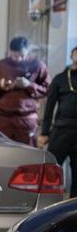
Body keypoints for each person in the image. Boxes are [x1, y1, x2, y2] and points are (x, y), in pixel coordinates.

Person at [0, 35, 50, 144]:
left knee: (27, 155)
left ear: (27, 52)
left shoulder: (38, 65)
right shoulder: (1, 65)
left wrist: (29, 85)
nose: (18, 59)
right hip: (2, 119)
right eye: (14, 56)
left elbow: (48, 89)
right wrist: (1, 86)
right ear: (10, 52)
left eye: (22, 56)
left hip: (26, 119)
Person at [38, 46, 77, 197]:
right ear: (71, 55)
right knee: (51, 168)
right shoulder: (60, 79)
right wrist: (44, 132)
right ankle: (46, 201)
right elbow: (49, 108)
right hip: (61, 130)